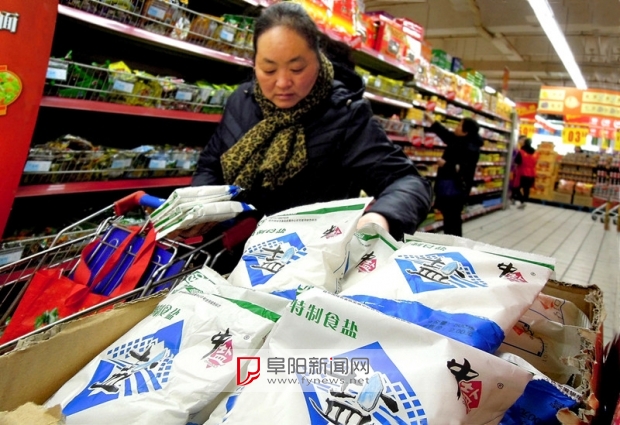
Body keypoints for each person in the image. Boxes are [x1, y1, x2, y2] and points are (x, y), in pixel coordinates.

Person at [190, 2, 431, 241]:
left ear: (317, 58)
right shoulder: (240, 101)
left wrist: (379, 218)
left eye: (297, 69)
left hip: (308, 255)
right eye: (269, 69)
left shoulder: (346, 114)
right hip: (228, 249)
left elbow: (408, 183)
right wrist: (200, 208)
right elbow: (211, 166)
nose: (283, 83)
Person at [424, 113, 483, 237]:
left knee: (453, 218)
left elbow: (464, 169)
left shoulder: (471, 148)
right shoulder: (460, 140)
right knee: (449, 217)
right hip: (450, 187)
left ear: (466, 132)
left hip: (456, 189)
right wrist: (431, 120)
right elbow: (445, 134)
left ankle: (454, 242)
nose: (456, 127)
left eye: (460, 125)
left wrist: (445, 164)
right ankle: (450, 241)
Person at [513, 138, 538, 209]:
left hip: (522, 172)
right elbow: (535, 162)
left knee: (516, 188)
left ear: (524, 143)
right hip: (532, 173)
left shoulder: (521, 152)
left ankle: (522, 201)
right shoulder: (535, 153)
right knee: (526, 189)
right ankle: (525, 201)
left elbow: (517, 162)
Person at [510, 136, 526, 204]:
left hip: (517, 169)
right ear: (519, 139)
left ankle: (513, 198)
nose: (524, 141)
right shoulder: (516, 147)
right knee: (513, 184)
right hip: (512, 168)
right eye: (523, 140)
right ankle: (513, 198)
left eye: (525, 140)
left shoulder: (522, 148)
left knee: (515, 184)